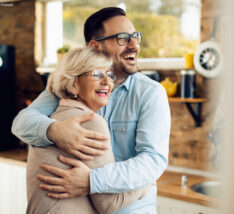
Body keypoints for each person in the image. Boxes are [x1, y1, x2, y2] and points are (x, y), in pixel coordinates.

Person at [12, 7, 171, 213]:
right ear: (95, 46)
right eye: (122, 38)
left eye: (135, 37)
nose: (133, 45)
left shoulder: (150, 93)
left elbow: (153, 160)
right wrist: (54, 131)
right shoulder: (72, 85)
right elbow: (21, 122)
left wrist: (91, 181)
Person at [26, 47, 150, 214]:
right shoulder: (89, 122)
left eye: (110, 74)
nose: (108, 82)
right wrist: (146, 182)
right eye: (97, 74)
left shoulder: (49, 119)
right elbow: (108, 203)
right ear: (73, 84)